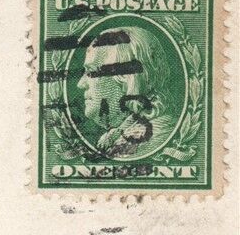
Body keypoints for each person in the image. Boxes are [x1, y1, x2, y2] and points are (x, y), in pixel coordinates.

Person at [73, 18, 182, 158]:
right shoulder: (119, 136)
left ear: (128, 77)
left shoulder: (152, 138)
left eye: (91, 72)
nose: (81, 84)